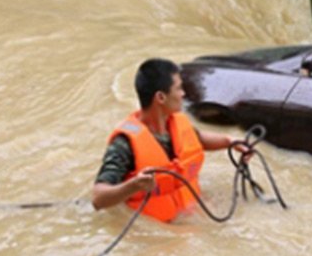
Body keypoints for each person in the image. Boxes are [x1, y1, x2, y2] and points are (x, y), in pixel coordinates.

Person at [92, 58, 247, 222]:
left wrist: (230, 142)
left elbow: (198, 139)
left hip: (188, 214)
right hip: (154, 231)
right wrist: (134, 186)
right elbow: (98, 198)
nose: (183, 94)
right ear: (160, 97)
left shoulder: (176, 122)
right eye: (179, 88)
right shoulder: (125, 143)